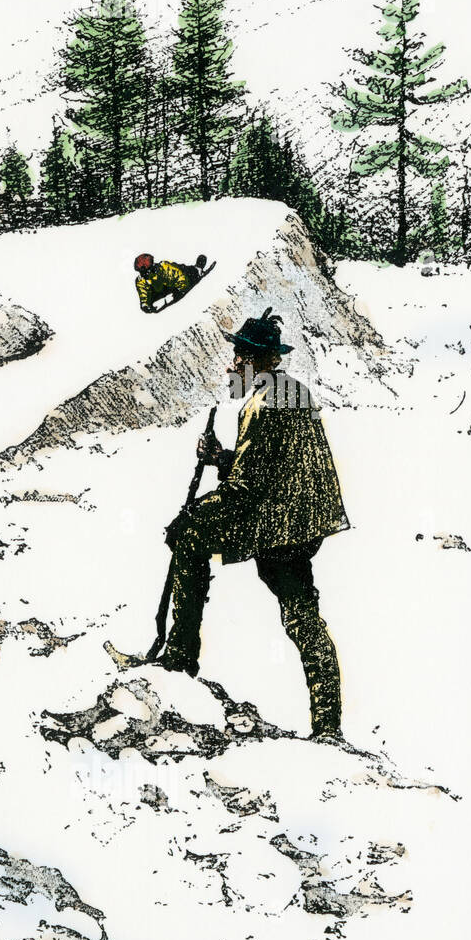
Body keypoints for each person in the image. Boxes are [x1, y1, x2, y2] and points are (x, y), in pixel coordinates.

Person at [159, 308, 347, 740]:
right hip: (305, 525)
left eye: (237, 359)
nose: (231, 367)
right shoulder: (293, 392)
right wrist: (221, 458)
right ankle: (328, 725)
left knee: (187, 537)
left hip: (275, 525)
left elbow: (246, 489)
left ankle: (180, 658)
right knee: (303, 618)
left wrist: (193, 515)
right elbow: (268, 468)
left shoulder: (260, 405)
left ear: (255, 362)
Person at [133, 252, 208, 314]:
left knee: (185, 271)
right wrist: (145, 305)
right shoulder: (141, 280)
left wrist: (180, 290)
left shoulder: (164, 267)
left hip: (174, 283)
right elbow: (143, 293)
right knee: (179, 272)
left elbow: (179, 277)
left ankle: (197, 269)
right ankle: (194, 271)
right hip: (163, 289)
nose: (145, 273)